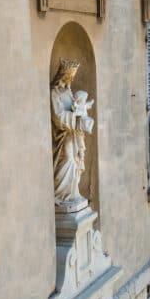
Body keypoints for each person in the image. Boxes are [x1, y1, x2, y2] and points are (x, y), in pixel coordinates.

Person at [50, 59, 94, 206]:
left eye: (72, 77)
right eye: (69, 76)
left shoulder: (68, 92)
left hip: (73, 134)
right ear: (62, 75)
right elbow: (57, 116)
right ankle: (62, 194)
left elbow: (75, 105)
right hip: (63, 136)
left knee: (75, 162)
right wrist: (74, 115)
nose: (70, 79)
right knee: (68, 160)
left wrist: (81, 110)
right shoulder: (54, 93)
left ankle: (73, 193)